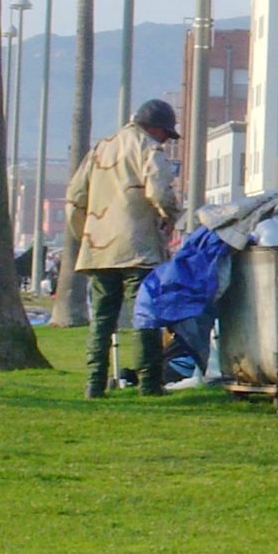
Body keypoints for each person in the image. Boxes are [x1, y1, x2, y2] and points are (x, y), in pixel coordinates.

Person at [65, 98, 182, 398]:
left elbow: (74, 198)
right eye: (166, 135)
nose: (165, 141)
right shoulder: (148, 148)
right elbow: (159, 190)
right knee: (145, 317)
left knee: (102, 321)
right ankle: (150, 384)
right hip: (138, 248)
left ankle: (94, 384)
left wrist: (87, 235)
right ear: (155, 128)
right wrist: (170, 217)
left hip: (100, 248)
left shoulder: (101, 147)